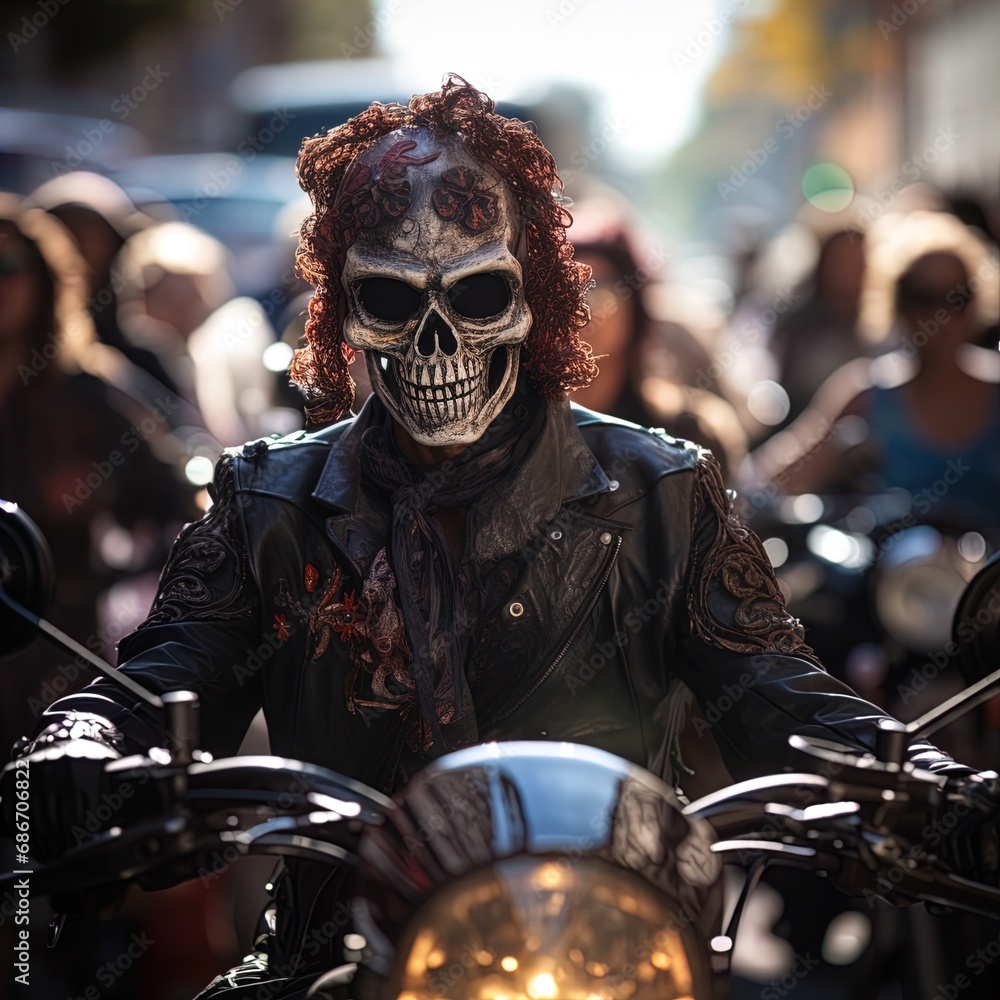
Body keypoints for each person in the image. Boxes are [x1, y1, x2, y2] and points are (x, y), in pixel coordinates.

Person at [2, 80, 996, 997]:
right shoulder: (269, 500)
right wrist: (83, 736)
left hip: (612, 946)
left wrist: (920, 778)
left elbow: (773, 687)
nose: (437, 343)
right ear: (345, 313)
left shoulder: (663, 491)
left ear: (538, 300)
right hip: (344, 954)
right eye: (391, 298)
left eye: (475, 294)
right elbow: (169, 671)